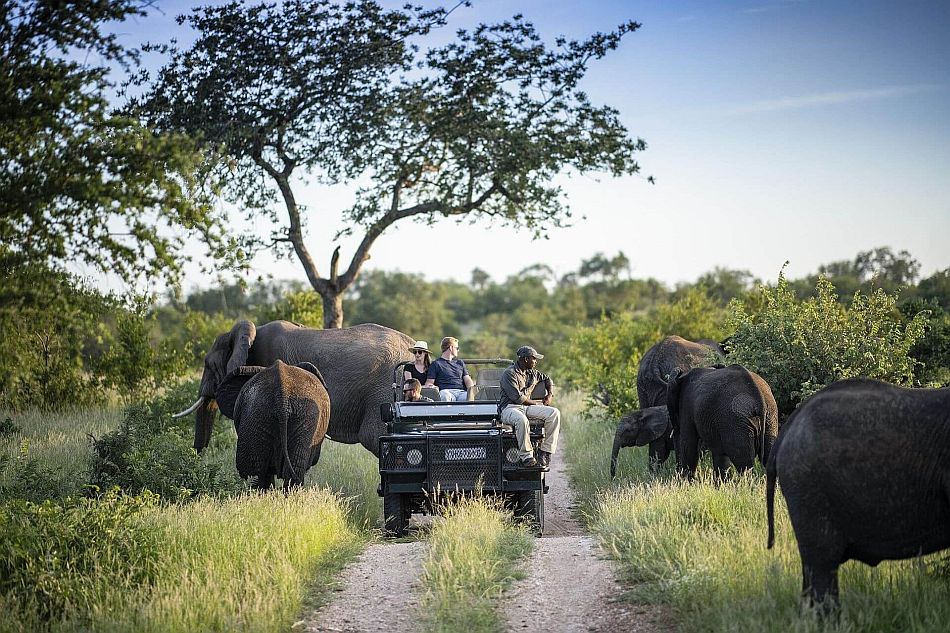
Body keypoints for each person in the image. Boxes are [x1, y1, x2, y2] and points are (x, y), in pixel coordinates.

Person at [498, 346, 560, 470]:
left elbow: (548, 379)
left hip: (526, 407)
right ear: (526, 359)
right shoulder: (509, 374)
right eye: (534, 358)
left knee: (554, 413)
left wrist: (549, 395)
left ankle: (545, 452)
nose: (536, 361)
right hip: (509, 408)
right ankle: (527, 457)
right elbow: (518, 398)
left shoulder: (532, 372)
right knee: (522, 420)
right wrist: (536, 404)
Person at [425, 336, 475, 401]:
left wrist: (472, 390)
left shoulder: (460, 363)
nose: (458, 350)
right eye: (457, 348)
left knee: (469, 397)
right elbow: (429, 383)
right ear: (451, 348)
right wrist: (433, 387)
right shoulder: (436, 364)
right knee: (444, 395)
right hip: (446, 391)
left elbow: (467, 380)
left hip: (461, 392)